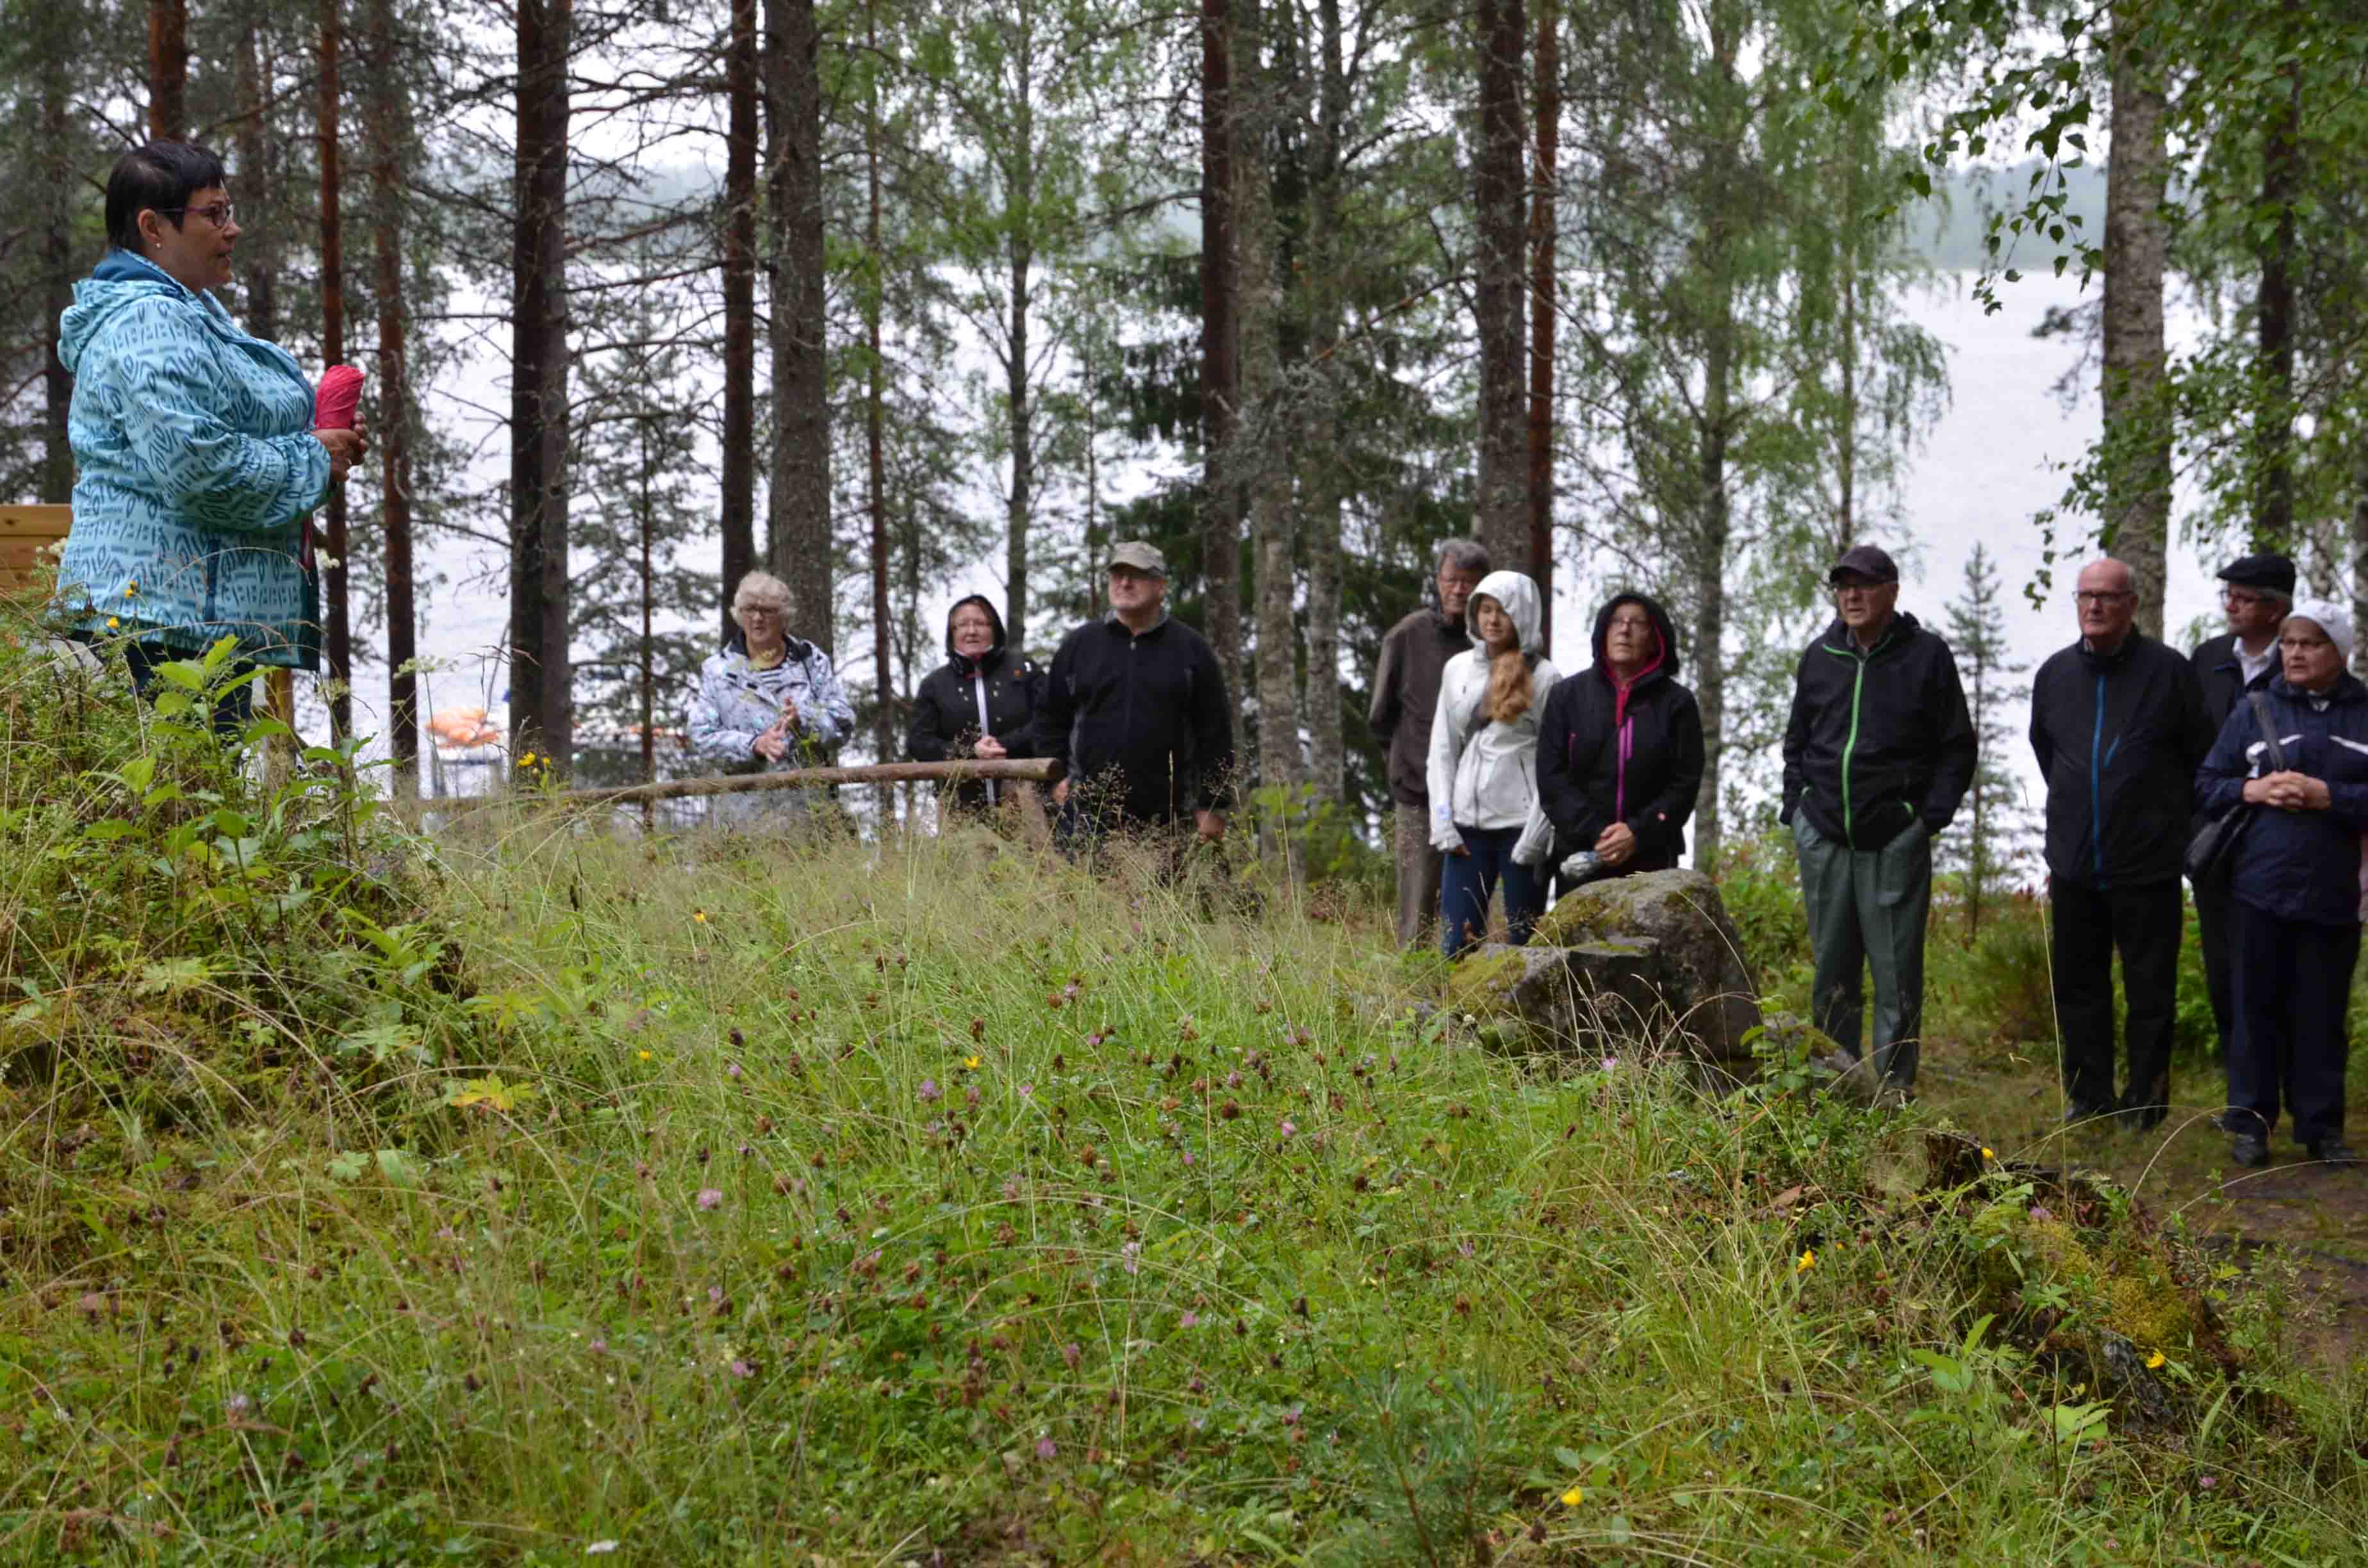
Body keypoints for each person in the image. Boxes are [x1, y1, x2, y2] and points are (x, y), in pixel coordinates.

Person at [50, 142, 368, 730]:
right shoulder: (147, 320)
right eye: (215, 213)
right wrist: (311, 457)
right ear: (153, 227)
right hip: (156, 629)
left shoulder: (189, 312)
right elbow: (200, 466)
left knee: (185, 810)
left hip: (182, 622)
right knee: (177, 812)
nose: (234, 229)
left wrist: (321, 439)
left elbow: (211, 429)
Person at [1780, 544, 1975, 1098]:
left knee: (1896, 973)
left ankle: (1892, 1091)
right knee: (1832, 972)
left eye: (1863, 585)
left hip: (1894, 839)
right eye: (1843, 586)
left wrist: (1925, 819)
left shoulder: (1926, 656)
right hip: (1824, 838)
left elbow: (1957, 747)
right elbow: (1797, 741)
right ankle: (1838, 1085)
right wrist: (1797, 810)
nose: (1852, 595)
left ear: (1892, 591)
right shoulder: (1821, 656)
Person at [2028, 559, 2214, 1130]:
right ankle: (2089, 1099)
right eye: (2086, 596)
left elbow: (2199, 758)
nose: (2095, 607)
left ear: (2132, 604)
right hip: (2076, 863)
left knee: (2149, 992)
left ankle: (2146, 1101)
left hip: (2148, 865)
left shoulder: (2169, 672)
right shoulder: (2055, 674)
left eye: (2108, 597)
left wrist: (2165, 823)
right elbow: (2047, 751)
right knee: (2079, 988)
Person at [2194, 599, 2368, 1168]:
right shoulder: (2255, 708)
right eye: (2289, 643)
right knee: (2255, 1010)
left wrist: (2330, 798)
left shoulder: (2363, 712)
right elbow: (2208, 782)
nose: (2294, 653)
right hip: (2258, 886)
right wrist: (2254, 791)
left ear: (2339, 652)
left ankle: (2321, 1129)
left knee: (2321, 1014)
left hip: (2334, 892)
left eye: (2309, 643)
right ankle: (2250, 1123)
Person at [1030, 541, 1233, 851]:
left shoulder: (1192, 650)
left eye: (1136, 575)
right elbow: (1049, 716)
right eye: (1117, 574)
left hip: (1170, 817)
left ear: (1161, 587)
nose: (1124, 583)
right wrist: (1055, 780)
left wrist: (1212, 806)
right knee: (1084, 899)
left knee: (1170, 899)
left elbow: (1215, 735)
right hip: (1086, 813)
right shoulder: (1080, 646)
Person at [2189, 553, 2296, 1068]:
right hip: (2217, 841)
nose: (2231, 604)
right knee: (2223, 966)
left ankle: (2290, 1080)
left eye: (2244, 596)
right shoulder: (2206, 659)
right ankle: (2241, 1088)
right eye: (2227, 594)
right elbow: (2182, 752)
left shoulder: (2300, 660)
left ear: (2276, 609)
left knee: (2285, 968)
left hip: (2286, 844)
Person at [1429, 569, 1561, 956]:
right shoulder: (1456, 670)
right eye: (1485, 610)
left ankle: (1524, 1019)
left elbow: (1556, 764)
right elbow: (1442, 749)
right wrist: (1442, 821)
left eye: (1503, 610)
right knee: (1457, 943)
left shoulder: (1547, 678)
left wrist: (1535, 836)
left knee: (1527, 944)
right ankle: (1458, 1017)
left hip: (1521, 828)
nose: (1493, 620)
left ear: (1522, 615)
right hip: (1466, 829)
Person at [1536, 591, 1703, 886]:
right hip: (1580, 854)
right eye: (1616, 621)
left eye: (1637, 623)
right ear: (1603, 631)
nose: (1624, 630)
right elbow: (1552, 776)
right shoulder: (1568, 696)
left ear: (1655, 639)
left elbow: (1685, 782)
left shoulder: (1677, 704)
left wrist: (1637, 833)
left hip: (1652, 857)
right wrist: (1597, 831)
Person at [1370, 540, 1489, 946]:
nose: (1459, 590)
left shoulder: (1492, 645)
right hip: (1418, 796)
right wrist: (1404, 767)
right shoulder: (1406, 636)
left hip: (1480, 798)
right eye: (1452, 580)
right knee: (1417, 908)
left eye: (1469, 583)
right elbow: (1381, 717)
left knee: (1473, 909)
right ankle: (1410, 996)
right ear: (1438, 582)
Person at [687, 570, 857, 824]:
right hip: (742, 823)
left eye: (767, 610)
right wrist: (754, 745)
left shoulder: (811, 661)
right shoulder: (719, 671)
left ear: (783, 617)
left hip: (810, 819)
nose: (757, 618)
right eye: (749, 609)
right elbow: (702, 736)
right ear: (739, 614)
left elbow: (843, 723)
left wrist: (805, 719)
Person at [907, 594, 1042, 817]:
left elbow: (1049, 723)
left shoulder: (1025, 671)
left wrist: (1003, 745)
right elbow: (919, 743)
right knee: (962, 853)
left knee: (1032, 852)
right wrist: (970, 752)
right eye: (962, 625)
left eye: (980, 623)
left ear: (995, 629)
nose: (971, 631)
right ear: (952, 634)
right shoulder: (935, 684)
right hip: (959, 805)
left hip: (1025, 798)